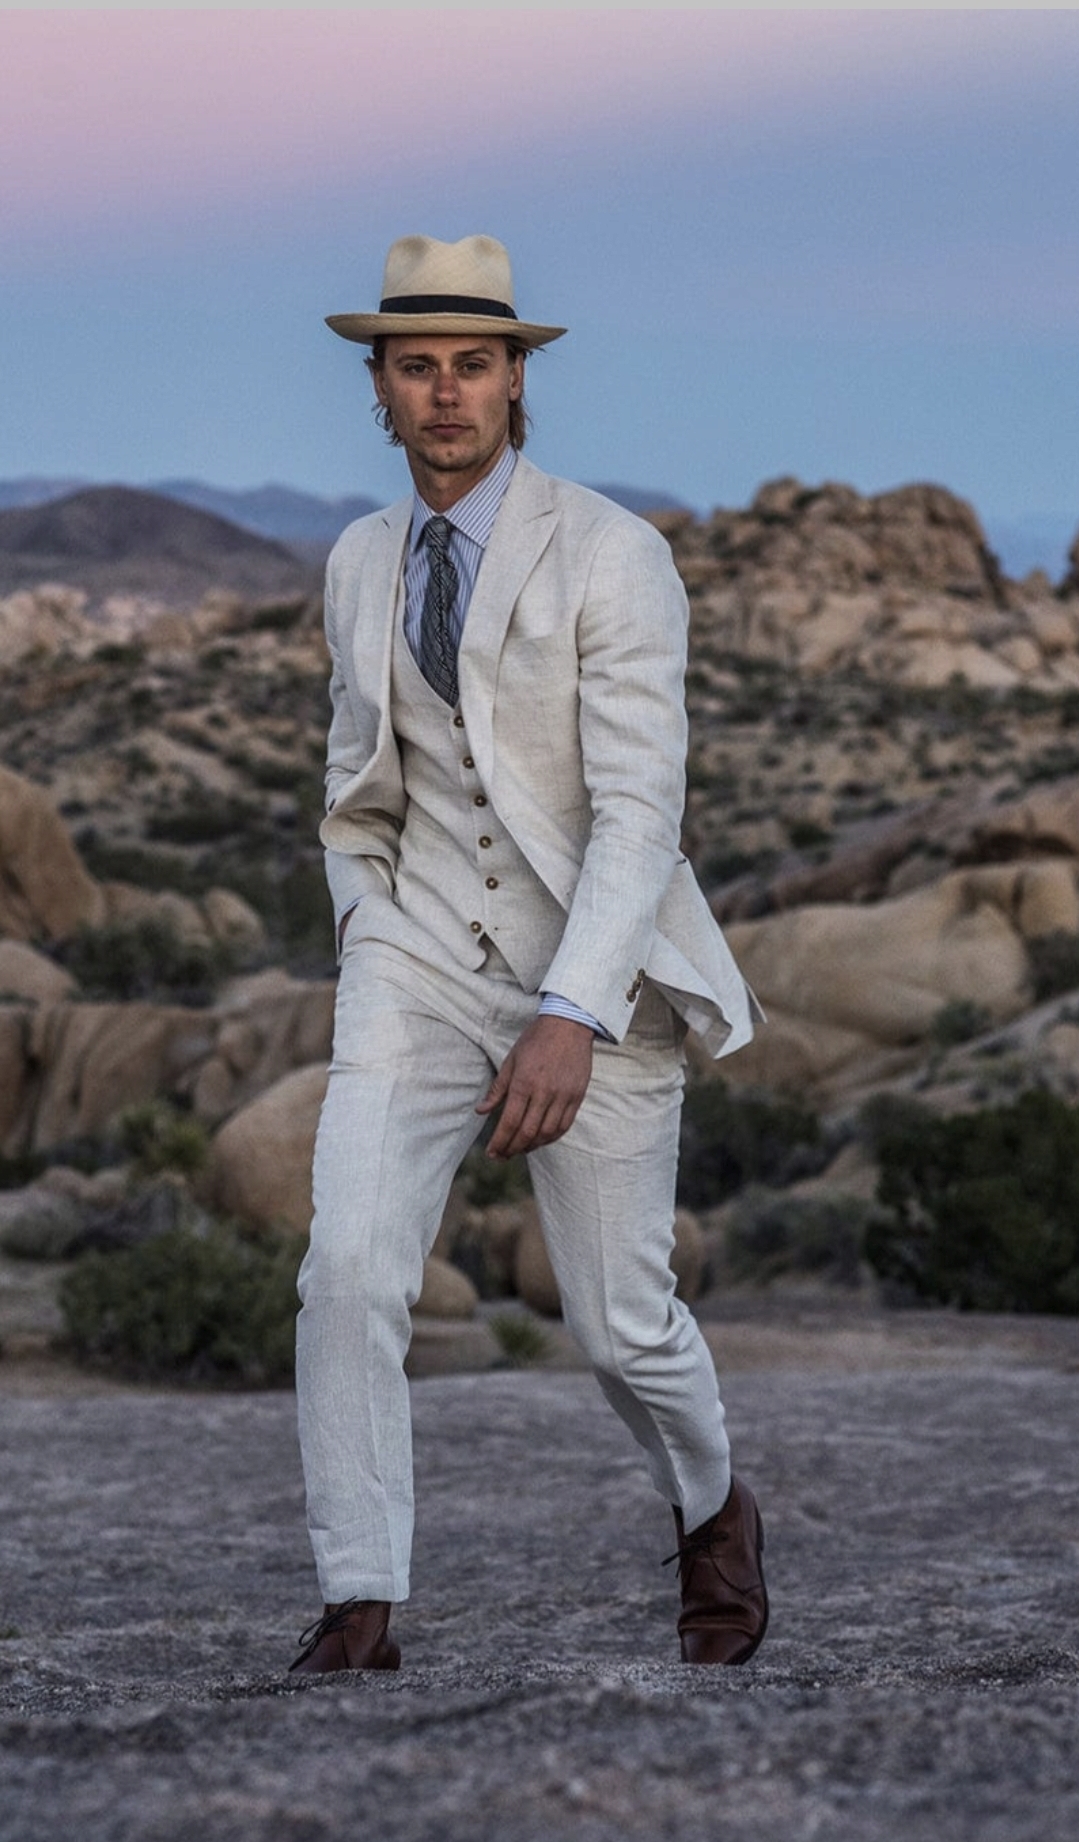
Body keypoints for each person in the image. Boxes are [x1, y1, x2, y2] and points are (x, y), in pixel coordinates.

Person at [289, 233, 768, 1674]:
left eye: (474, 366)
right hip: (420, 953)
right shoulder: (359, 561)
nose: (447, 394)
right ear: (379, 385)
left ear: (517, 381)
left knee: (618, 1326)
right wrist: (370, 927)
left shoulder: (616, 555)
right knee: (348, 1269)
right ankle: (361, 1597)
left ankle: (715, 1505)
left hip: (594, 968)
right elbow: (351, 781)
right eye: (418, 366)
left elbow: (639, 812)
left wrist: (573, 1010)